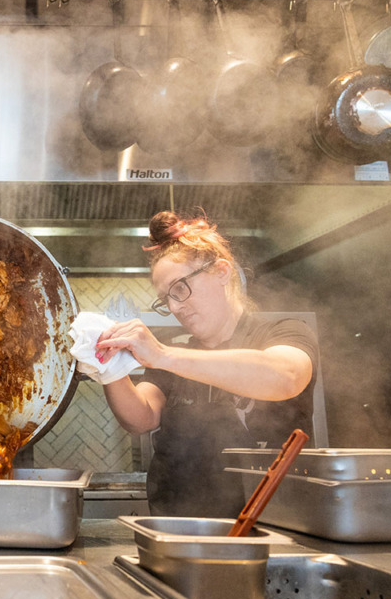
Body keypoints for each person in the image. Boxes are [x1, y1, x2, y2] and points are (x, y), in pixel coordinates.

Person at [95, 210, 319, 517]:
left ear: (221, 272)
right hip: (180, 530)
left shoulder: (283, 332)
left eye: (180, 288)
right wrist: (108, 369)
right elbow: (141, 418)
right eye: (165, 299)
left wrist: (163, 354)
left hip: (271, 531)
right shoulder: (172, 357)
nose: (174, 306)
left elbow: (286, 376)